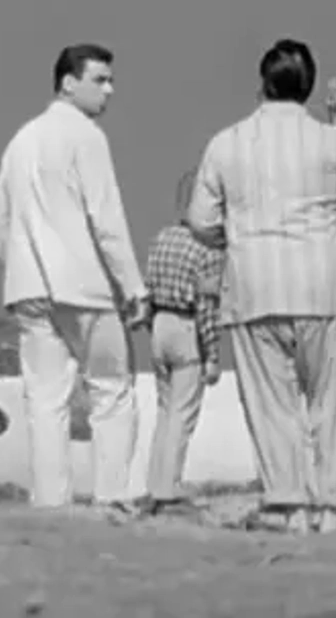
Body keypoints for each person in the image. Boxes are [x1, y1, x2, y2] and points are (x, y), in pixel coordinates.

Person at [187, 39, 336, 536]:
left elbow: (200, 219)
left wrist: (242, 235)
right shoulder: (332, 141)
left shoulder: (226, 143)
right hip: (323, 287)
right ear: (308, 88)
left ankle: (289, 506)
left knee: (272, 404)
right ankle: (330, 508)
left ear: (262, 83)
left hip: (254, 286)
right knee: (331, 401)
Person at [0, 43, 147, 514]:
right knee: (111, 390)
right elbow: (107, 220)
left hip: (29, 289)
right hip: (85, 284)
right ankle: (113, 497)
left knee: (45, 400)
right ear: (68, 82)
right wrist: (134, 287)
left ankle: (51, 504)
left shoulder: (20, 140)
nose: (110, 90)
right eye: (100, 79)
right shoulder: (87, 136)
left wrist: (20, 262)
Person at [129, 168, 224, 514]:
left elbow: (147, 288)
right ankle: (168, 490)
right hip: (186, 328)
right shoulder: (208, 249)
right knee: (182, 415)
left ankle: (155, 484)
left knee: (166, 410)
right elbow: (207, 307)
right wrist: (213, 355)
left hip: (159, 326)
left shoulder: (162, 238)